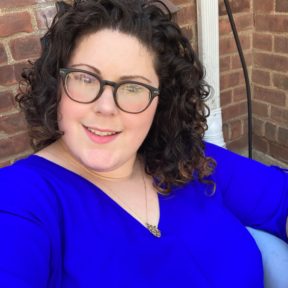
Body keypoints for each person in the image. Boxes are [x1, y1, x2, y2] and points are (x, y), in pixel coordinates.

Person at [0, 0, 287, 287]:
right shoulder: (20, 200)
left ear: (161, 101)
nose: (106, 107)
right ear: (56, 86)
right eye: (86, 78)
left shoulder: (191, 159)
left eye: (133, 87)